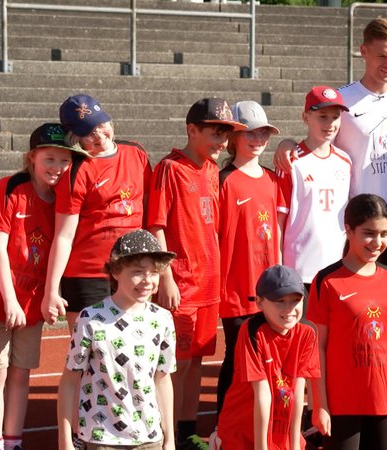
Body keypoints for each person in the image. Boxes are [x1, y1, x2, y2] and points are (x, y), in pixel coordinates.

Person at [274, 18, 387, 266]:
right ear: (364, 52)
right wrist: (287, 143)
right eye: (382, 56)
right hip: (358, 231)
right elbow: (319, 142)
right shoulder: (343, 100)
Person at [147, 97, 246, 450]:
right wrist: (166, 277)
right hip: (182, 282)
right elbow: (156, 225)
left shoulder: (212, 170)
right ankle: (167, 435)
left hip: (208, 281)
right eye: (215, 133)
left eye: (225, 135)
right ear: (192, 130)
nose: (222, 142)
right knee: (176, 364)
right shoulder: (170, 168)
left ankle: (187, 431)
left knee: (198, 360)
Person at [0, 124, 83, 450]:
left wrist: (50, 294)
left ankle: (13, 441)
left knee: (21, 373)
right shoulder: (11, 188)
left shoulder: (65, 199)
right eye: (50, 158)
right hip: (2, 298)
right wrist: (10, 300)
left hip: (32, 304)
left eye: (65, 160)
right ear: (32, 157)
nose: (57, 167)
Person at [308, 194, 387, 450]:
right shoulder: (326, 281)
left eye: (384, 234)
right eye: (369, 233)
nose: (377, 242)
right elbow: (317, 348)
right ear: (349, 230)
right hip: (341, 403)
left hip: (384, 401)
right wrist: (320, 405)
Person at [57, 229, 177, 450]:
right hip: (101, 439)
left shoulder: (162, 319)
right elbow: (69, 382)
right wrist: (65, 440)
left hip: (149, 439)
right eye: (137, 272)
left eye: (153, 272)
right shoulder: (90, 319)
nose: (147, 280)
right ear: (115, 271)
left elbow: (162, 379)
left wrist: (169, 439)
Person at [41, 94, 152, 328]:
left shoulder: (136, 153)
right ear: (74, 139)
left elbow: (148, 209)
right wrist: (51, 290)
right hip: (88, 275)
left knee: (133, 344)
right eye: (88, 132)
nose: (99, 135)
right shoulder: (76, 170)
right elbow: (64, 236)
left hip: (132, 268)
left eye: (101, 124)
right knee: (89, 348)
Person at [216, 101, 283, 415]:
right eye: (250, 133)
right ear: (234, 136)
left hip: (267, 286)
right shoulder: (223, 180)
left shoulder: (272, 179)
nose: (258, 139)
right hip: (236, 287)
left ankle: (260, 422)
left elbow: (276, 230)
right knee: (236, 356)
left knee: (267, 355)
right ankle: (223, 424)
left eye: (263, 133)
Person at [216, 265, 320, 450]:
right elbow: (262, 393)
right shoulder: (252, 331)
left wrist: (294, 444)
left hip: (280, 429)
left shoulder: (307, 333)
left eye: (296, 300)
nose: (289, 309)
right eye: (280, 301)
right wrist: (261, 447)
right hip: (243, 430)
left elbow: (297, 391)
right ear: (259, 302)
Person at [277, 86, 352, 287]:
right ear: (305, 117)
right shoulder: (291, 161)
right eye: (322, 117)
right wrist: (278, 266)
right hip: (299, 270)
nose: (330, 124)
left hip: (337, 267)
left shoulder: (345, 161)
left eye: (335, 117)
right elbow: (279, 220)